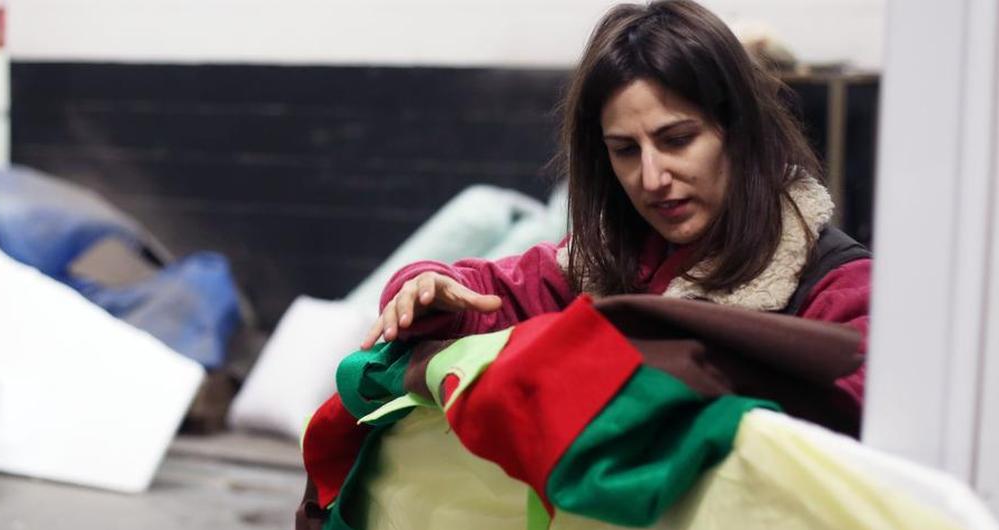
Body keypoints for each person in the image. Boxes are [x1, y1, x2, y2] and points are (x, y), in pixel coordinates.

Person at [361, 0, 871, 408]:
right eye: (626, 150)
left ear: (737, 132)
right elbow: (487, 297)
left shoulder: (837, 289)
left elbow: (853, 435)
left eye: (676, 139)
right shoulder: (605, 264)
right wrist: (427, 288)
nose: (652, 178)